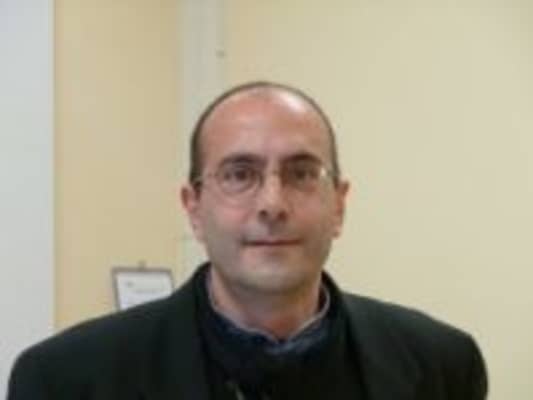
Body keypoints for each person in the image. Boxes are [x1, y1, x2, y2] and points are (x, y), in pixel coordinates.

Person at [8, 81, 488, 399]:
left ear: (339, 205)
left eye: (302, 173)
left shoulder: (443, 366)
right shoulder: (64, 381)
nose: (272, 204)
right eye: (239, 174)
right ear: (194, 208)